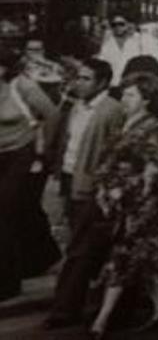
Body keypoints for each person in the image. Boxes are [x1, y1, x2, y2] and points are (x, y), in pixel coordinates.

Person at [89, 72, 158, 338]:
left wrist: (123, 190)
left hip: (140, 205)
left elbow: (156, 170)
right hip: (118, 205)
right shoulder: (123, 125)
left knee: (124, 259)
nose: (125, 99)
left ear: (146, 99)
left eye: (131, 95)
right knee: (145, 260)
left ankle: (102, 320)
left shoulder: (155, 128)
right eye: (124, 94)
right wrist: (104, 190)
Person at [45, 58, 125, 329]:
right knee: (77, 244)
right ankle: (82, 300)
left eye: (86, 78)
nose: (79, 83)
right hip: (70, 178)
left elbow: (115, 151)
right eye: (78, 77)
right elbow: (64, 140)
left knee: (80, 247)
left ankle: (65, 308)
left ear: (102, 83)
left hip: (91, 186)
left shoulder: (110, 110)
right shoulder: (76, 106)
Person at [0, 45, 59, 301]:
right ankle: (42, 257)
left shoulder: (22, 87)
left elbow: (52, 115)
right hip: (1, 153)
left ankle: (8, 281)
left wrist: (43, 152)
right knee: (24, 208)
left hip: (23, 152)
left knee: (4, 212)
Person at [98, 6, 158, 85]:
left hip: (134, 87)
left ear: (129, 23)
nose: (117, 27)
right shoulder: (108, 43)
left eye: (121, 24)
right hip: (112, 87)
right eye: (114, 24)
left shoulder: (143, 40)